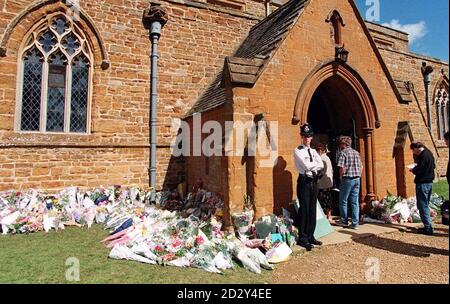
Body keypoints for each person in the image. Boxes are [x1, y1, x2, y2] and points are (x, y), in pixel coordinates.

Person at [293, 123, 324, 251]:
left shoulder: (313, 151)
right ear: (301, 136)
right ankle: (303, 237)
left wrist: (314, 165)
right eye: (305, 136)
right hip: (304, 182)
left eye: (309, 136)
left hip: (314, 181)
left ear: (312, 137)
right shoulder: (298, 150)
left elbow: (321, 164)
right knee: (304, 209)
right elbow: (306, 166)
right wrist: (314, 165)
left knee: (312, 209)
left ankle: (311, 236)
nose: (307, 138)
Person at [409, 142, 435, 235]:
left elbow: (420, 170)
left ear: (417, 148)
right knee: (425, 205)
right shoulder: (429, 154)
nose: (413, 152)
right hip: (429, 182)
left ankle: (428, 228)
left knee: (422, 205)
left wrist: (413, 170)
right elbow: (433, 167)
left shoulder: (423, 156)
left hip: (423, 183)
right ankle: (428, 226)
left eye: (413, 150)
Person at [337, 136, 363, 229]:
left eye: (340, 143)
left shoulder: (343, 153)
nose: (339, 145)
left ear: (344, 144)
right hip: (357, 179)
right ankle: (355, 223)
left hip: (347, 178)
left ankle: (344, 221)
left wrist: (340, 177)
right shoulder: (356, 152)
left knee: (343, 200)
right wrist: (359, 175)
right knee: (355, 201)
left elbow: (341, 167)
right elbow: (361, 166)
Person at [316, 143, 334, 220]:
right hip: (328, 182)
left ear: (320, 150)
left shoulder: (322, 158)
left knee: (324, 199)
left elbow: (321, 171)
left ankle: (326, 215)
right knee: (328, 199)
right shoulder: (326, 157)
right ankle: (329, 215)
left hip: (323, 182)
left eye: (317, 150)